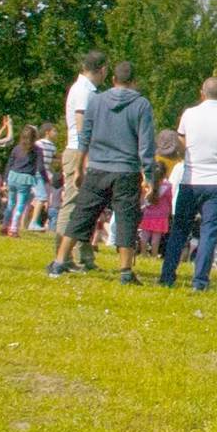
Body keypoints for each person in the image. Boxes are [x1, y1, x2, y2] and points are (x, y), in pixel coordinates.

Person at [48, 61, 159, 284]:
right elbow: (146, 144)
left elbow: (84, 137)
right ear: (134, 82)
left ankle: (59, 262)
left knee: (82, 215)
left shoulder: (96, 101)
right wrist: (149, 175)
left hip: (97, 167)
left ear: (113, 80)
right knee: (127, 219)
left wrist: (79, 167)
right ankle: (126, 272)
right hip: (126, 170)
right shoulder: (141, 105)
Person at [155, 75, 217, 290]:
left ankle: (167, 276)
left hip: (191, 180)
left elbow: (182, 148)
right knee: (209, 233)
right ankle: (200, 281)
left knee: (180, 229)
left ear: (202, 93)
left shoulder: (190, 114)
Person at [60, 52, 108, 269]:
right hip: (78, 152)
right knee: (72, 205)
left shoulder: (85, 90)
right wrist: (86, 157)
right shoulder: (84, 92)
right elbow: (82, 128)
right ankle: (63, 256)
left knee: (85, 207)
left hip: (81, 151)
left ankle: (84, 257)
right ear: (103, 69)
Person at [1, 123, 42, 235]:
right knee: (20, 205)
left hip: (12, 176)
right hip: (25, 179)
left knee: (10, 203)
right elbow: (40, 167)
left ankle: (4, 226)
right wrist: (45, 180)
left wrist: (5, 179)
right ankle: (14, 228)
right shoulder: (37, 150)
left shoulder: (16, 148)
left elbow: (9, 164)